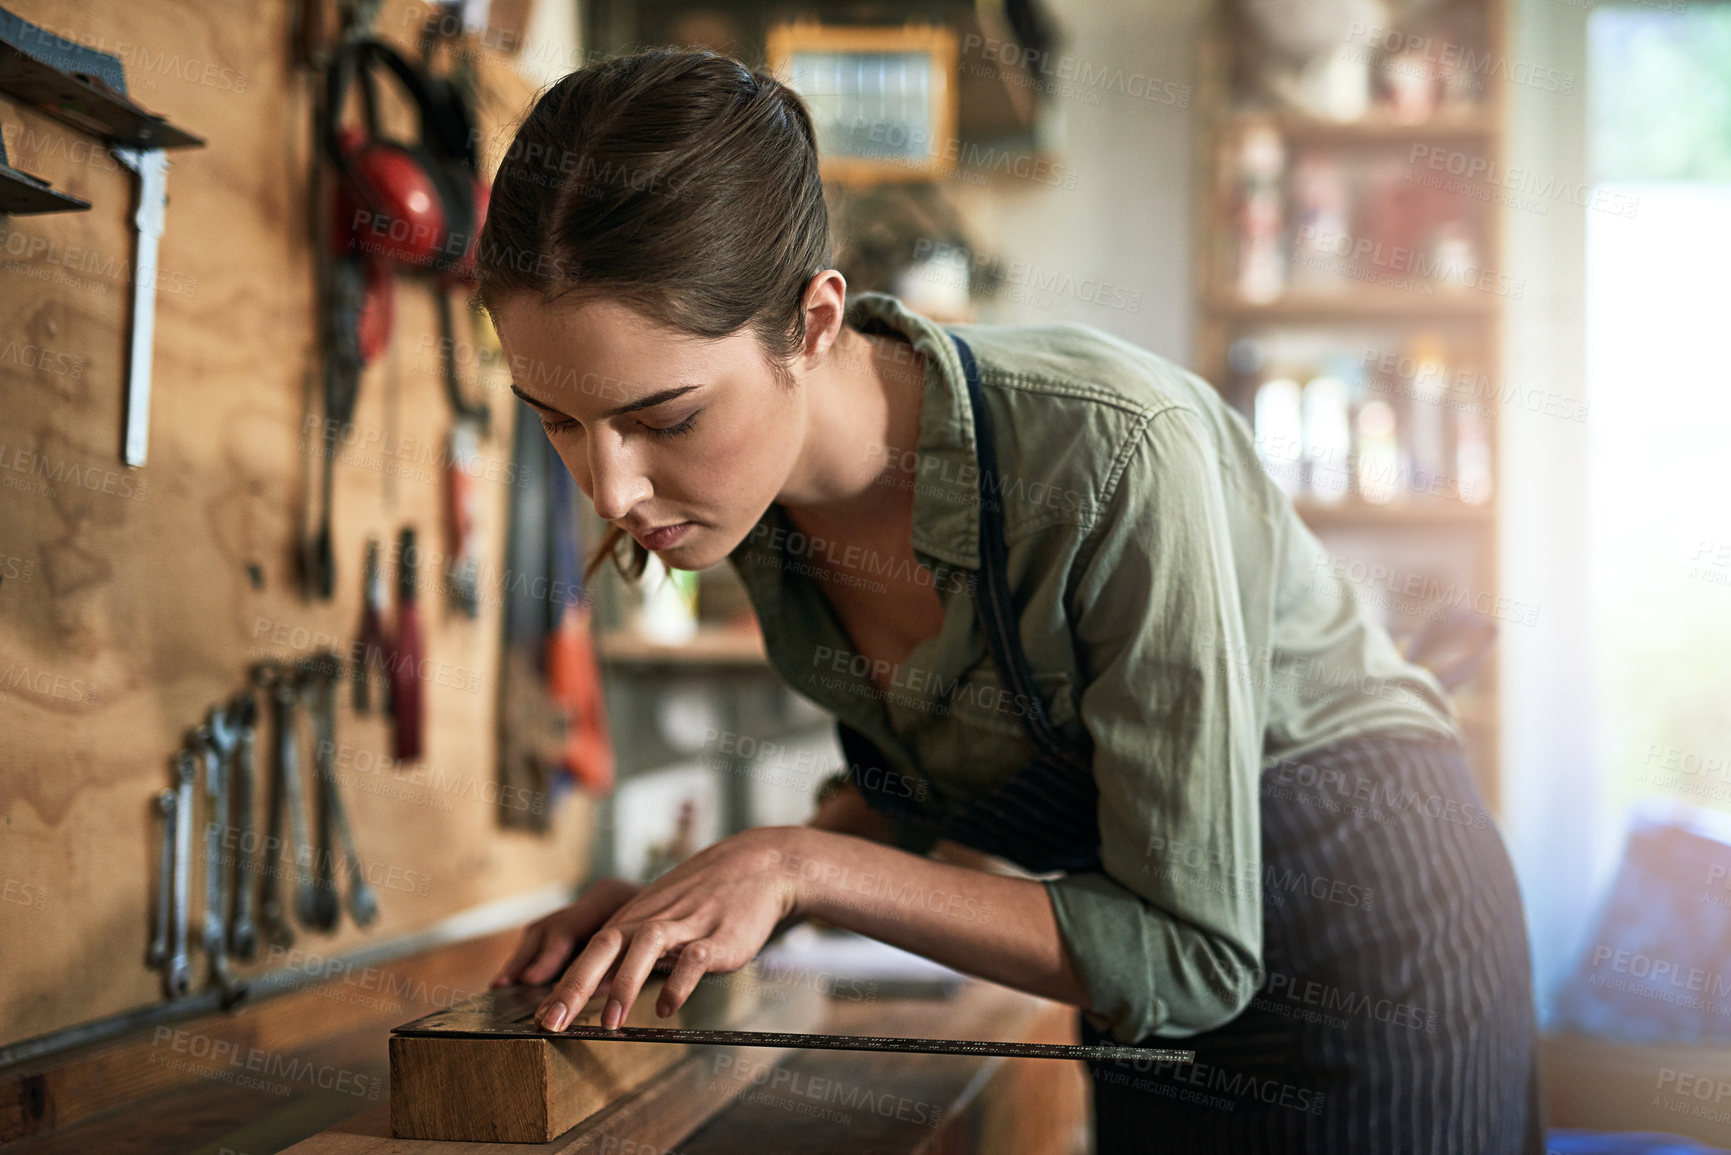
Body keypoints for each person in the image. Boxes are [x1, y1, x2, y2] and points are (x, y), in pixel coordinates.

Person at [476, 46, 1545, 1154]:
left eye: (666, 419)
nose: (611, 487)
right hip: (1147, 996)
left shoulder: (1115, 458)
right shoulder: (744, 505)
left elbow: (1195, 952)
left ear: (812, 323)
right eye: (557, 419)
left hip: (1371, 942)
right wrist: (686, 905)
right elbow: (932, 793)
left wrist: (794, 866)